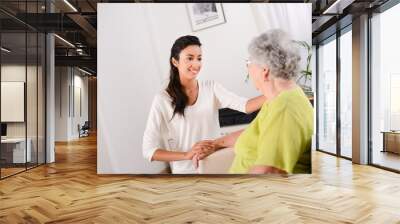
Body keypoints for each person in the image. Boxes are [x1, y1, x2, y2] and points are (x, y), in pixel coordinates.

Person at [142, 35, 265, 174]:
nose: (196, 64)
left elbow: (246, 106)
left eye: (199, 58)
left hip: (215, 164)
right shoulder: (162, 99)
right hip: (186, 173)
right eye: (190, 58)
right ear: (175, 62)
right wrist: (187, 155)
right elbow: (148, 150)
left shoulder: (211, 88)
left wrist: (276, 92)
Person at [203, 29, 313, 174]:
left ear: (265, 71)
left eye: (249, 62)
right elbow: (254, 132)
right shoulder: (277, 100)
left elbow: (268, 172)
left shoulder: (285, 108)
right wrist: (215, 143)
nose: (247, 68)